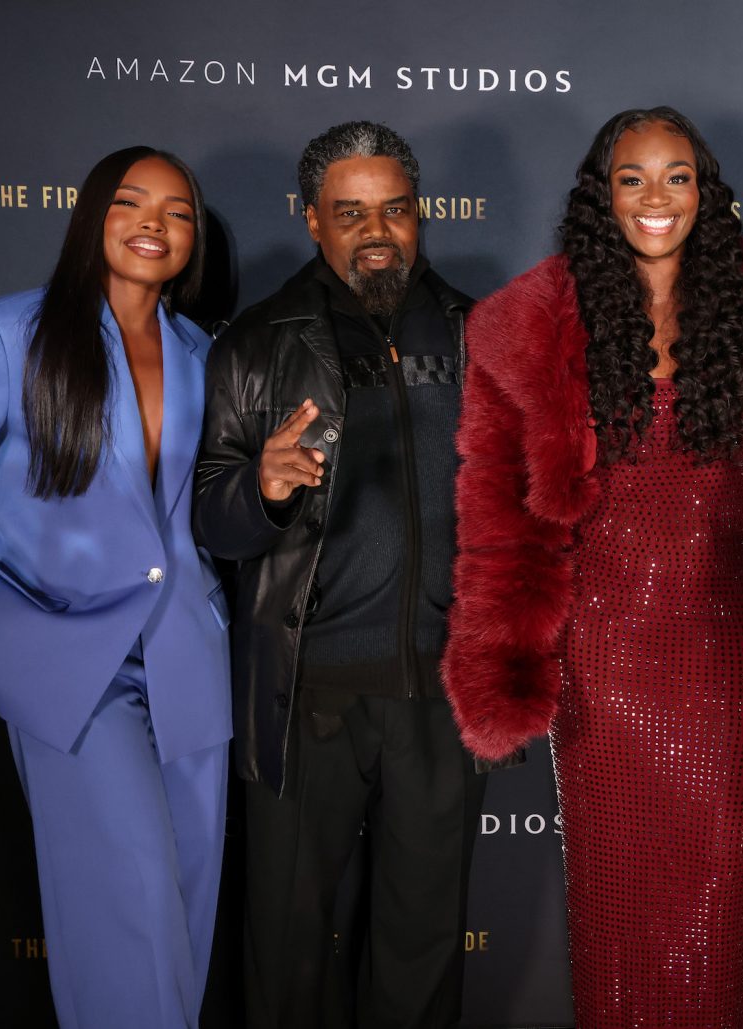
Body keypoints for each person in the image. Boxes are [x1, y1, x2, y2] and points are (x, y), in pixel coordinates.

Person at [441, 106, 743, 1025]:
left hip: (724, 649)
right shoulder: (524, 324)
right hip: (600, 651)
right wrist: (502, 662)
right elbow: (494, 513)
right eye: (632, 177)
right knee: (611, 899)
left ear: (705, 189)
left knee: (717, 898)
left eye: (676, 176)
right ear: (600, 195)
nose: (656, 198)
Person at [0, 147, 228, 1028]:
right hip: (73, 671)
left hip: (191, 663)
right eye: (131, 201)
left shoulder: (205, 353)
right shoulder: (5, 334)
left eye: (179, 211)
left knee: (182, 918)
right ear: (91, 216)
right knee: (130, 911)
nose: (155, 222)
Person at [193, 120, 482, 1028]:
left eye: (394, 209)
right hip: (306, 693)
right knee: (288, 941)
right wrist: (264, 488)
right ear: (313, 220)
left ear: (419, 213)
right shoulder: (257, 340)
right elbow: (210, 514)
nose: (377, 231)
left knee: (423, 941)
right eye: (351, 212)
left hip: (441, 691)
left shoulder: (481, 331)